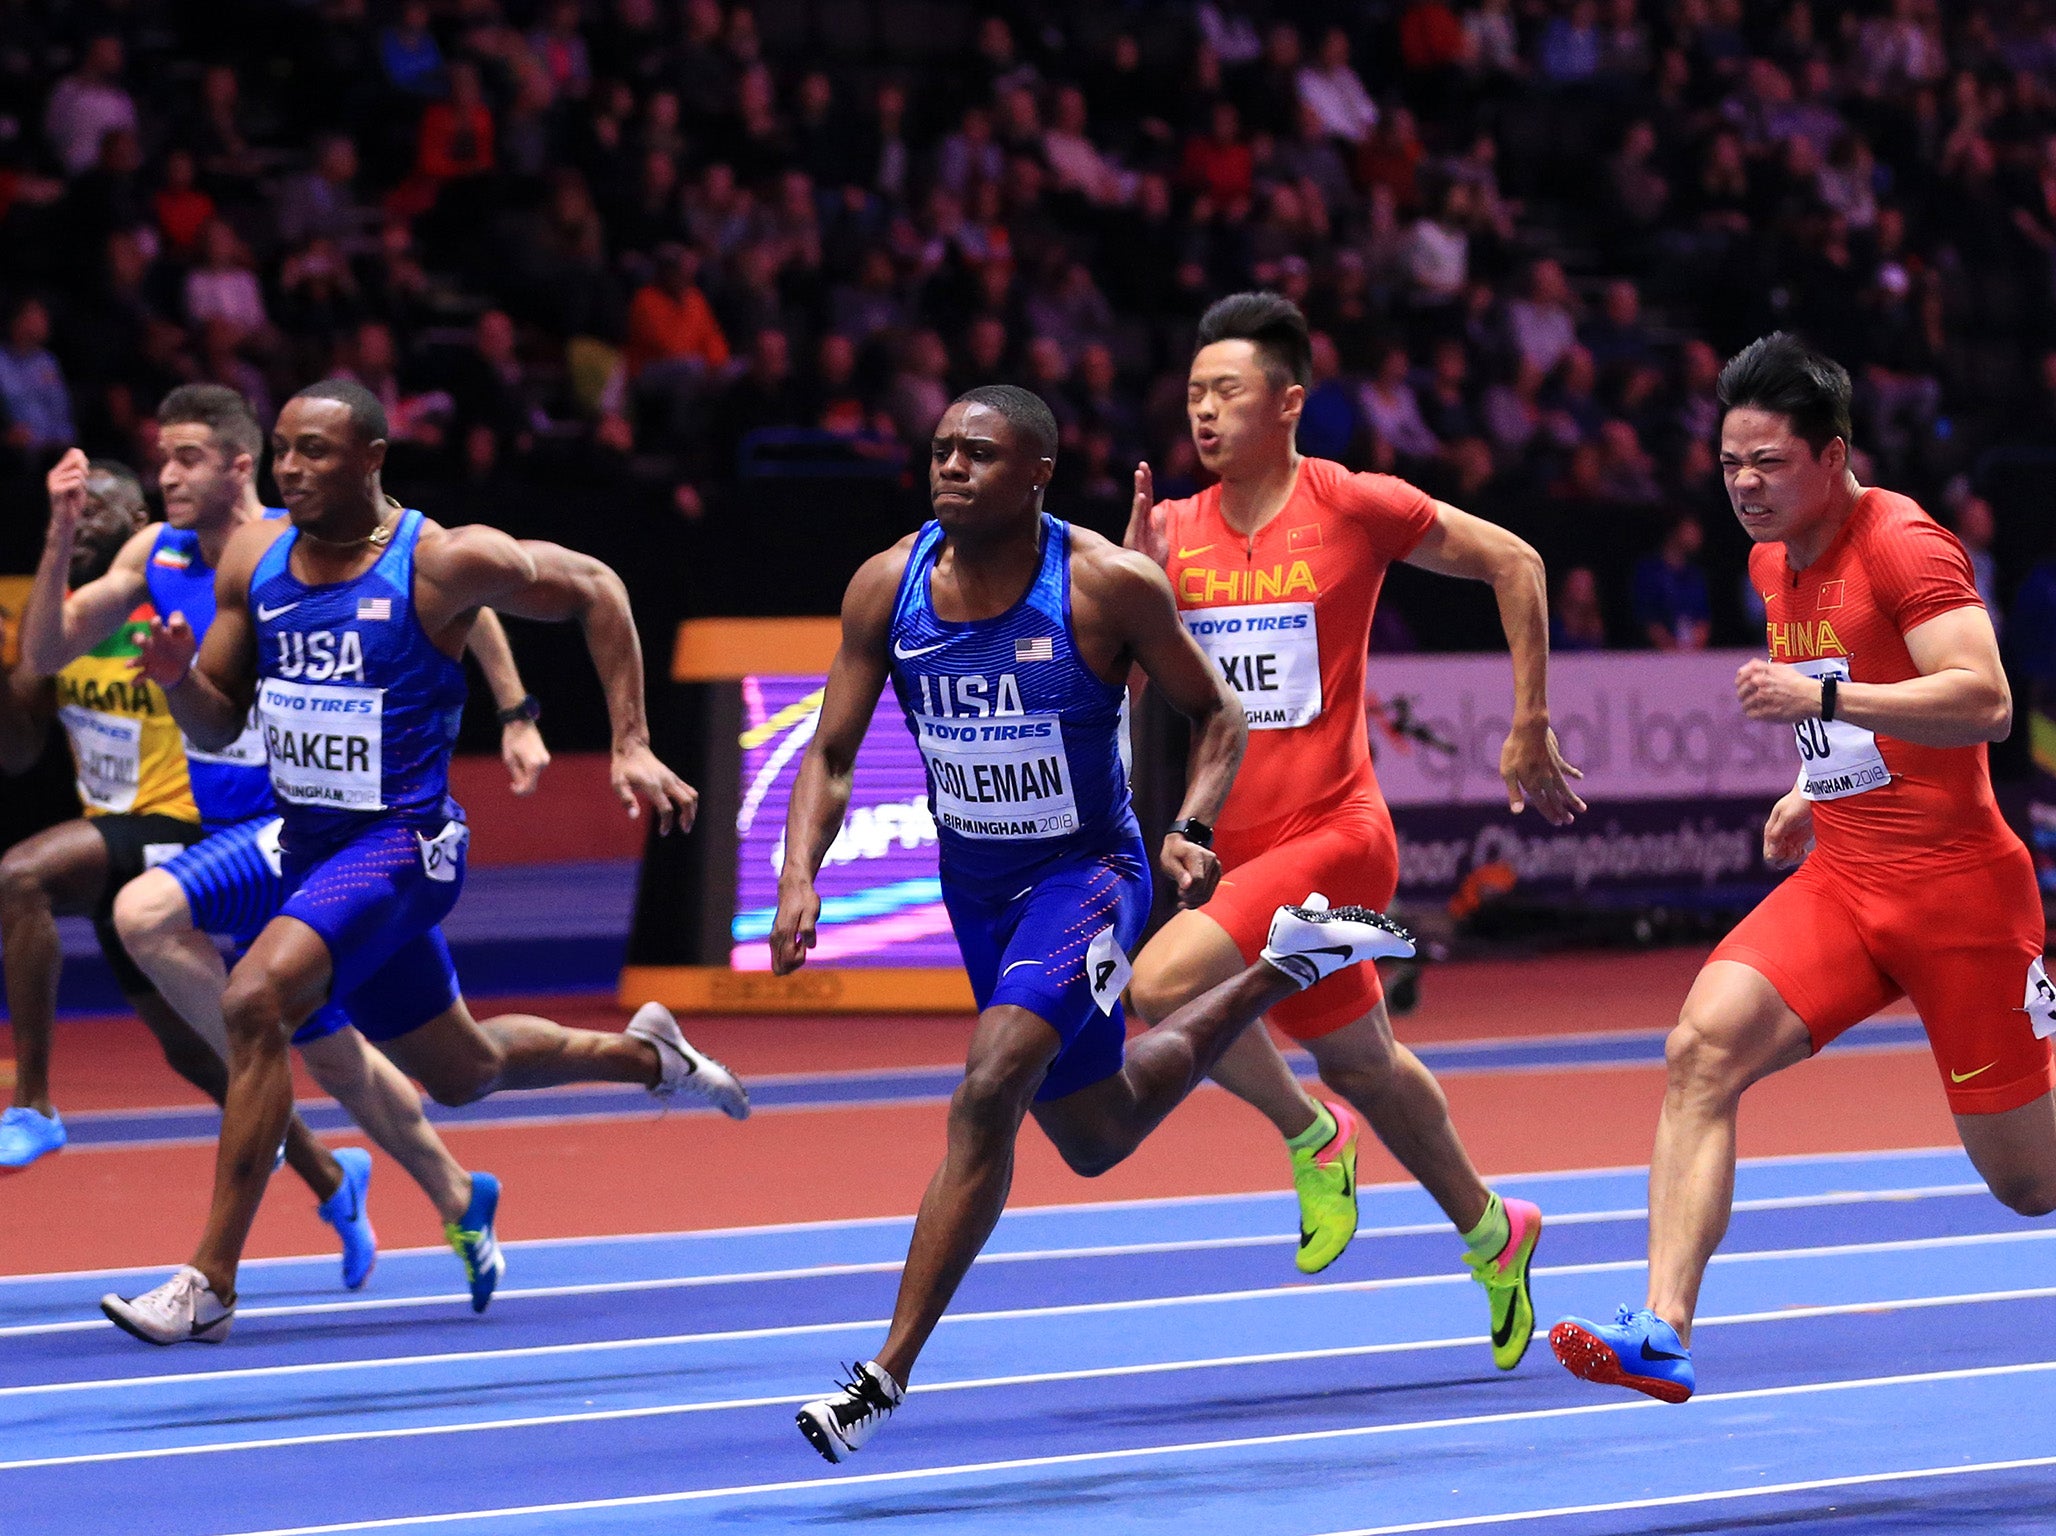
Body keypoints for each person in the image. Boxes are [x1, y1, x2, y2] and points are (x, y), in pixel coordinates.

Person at [772, 385, 1416, 1462]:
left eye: (979, 455)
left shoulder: (1106, 587)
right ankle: (1275, 973)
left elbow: (1216, 712)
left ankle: (882, 1375)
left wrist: (1191, 824)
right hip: (976, 893)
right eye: (940, 451)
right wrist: (801, 871)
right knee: (1097, 1135)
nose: (951, 469)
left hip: (1089, 878)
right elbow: (831, 752)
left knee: (988, 1086)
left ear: (1036, 476)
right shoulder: (889, 587)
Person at [99, 379, 748, 1344]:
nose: (292, 470)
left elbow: (599, 588)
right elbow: (219, 715)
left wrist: (629, 741)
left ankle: (209, 1284)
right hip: (313, 846)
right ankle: (651, 1056)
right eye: (282, 450)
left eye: (316, 452)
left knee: (252, 1000)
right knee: (463, 1072)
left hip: (405, 845)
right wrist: (176, 679)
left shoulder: (441, 563)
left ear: (371, 459)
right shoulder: (254, 562)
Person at [1551, 333, 2054, 1403]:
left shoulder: (1905, 545)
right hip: (1844, 880)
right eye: (1730, 463)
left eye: (1768, 463)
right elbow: (1867, 705)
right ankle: (1661, 1327)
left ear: (1831, 455)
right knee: (1699, 1051)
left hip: (1960, 895)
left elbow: (1984, 700)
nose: (1744, 486)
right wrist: (1813, 786)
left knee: (2028, 1182)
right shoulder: (1769, 560)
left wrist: (1819, 706)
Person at [1122, 292, 1585, 1371]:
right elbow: (1125, 686)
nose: (1203, 412)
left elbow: (1515, 562)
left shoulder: (1353, 504)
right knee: (1368, 1065)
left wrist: (1527, 723)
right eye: (1192, 394)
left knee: (1158, 988)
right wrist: (1125, 582)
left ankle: (1301, 1130)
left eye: (1226, 392)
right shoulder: (1171, 530)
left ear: (1286, 403)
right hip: (1237, 846)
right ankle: (1489, 1228)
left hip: (1339, 831)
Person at [24, 384, 542, 1300]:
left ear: (238, 465)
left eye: (187, 459)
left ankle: (246, 1088)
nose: (166, 476)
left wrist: (516, 711)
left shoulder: (302, 543)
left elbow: (475, 600)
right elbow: (46, 650)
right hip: (235, 832)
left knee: (148, 915)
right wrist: (61, 533)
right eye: (160, 457)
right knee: (340, 1060)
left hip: (311, 832)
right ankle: (454, 1191)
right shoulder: (159, 554)